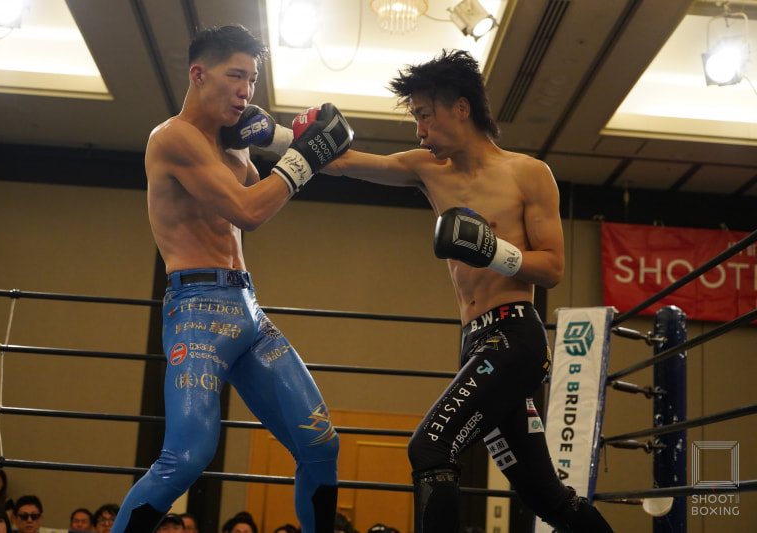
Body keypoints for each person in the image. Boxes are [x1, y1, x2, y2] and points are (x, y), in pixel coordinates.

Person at [322, 49, 614, 533]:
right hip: (474, 343)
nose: (419, 131)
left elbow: (553, 268)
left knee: (430, 448)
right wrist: (271, 135)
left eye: (424, 115)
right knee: (548, 499)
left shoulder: (527, 173)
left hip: (515, 339)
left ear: (461, 107)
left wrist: (493, 251)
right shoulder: (427, 167)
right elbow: (342, 162)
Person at [108, 23, 352, 533]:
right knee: (187, 457)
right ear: (199, 74)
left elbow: (262, 193)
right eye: (236, 76)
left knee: (320, 443)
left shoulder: (231, 139)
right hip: (197, 308)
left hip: (248, 309)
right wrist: (302, 153)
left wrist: (279, 137)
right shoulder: (172, 137)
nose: (246, 90)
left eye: (253, 79)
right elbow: (249, 211)